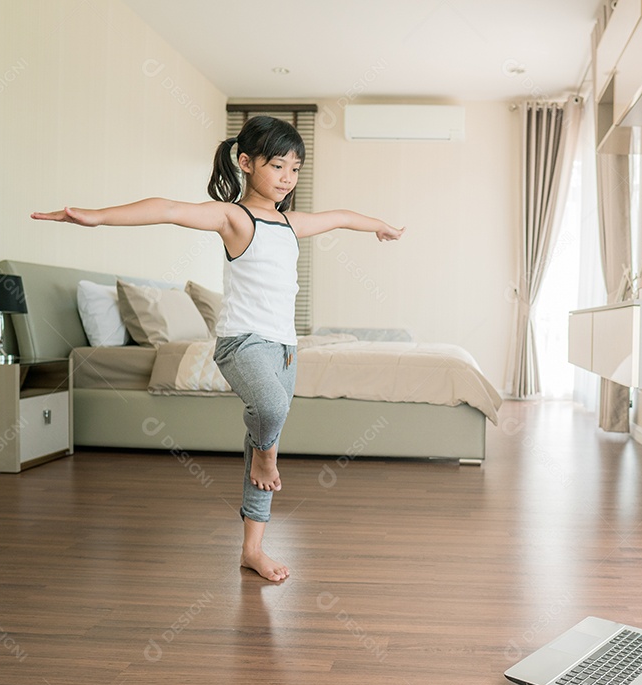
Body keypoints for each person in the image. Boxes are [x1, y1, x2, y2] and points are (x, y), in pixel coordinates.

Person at [32, 115, 404, 582]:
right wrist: (95, 217)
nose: (288, 178)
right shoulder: (233, 217)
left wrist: (381, 226)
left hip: (285, 350)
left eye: (295, 169)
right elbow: (166, 208)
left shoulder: (291, 223)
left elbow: (344, 217)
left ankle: (252, 549)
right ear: (246, 163)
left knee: (260, 439)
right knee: (269, 416)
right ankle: (267, 454)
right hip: (241, 343)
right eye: (277, 166)